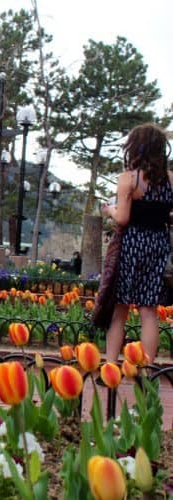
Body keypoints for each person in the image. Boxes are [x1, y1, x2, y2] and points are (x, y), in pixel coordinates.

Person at [100, 123, 173, 370]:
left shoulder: (129, 179)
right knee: (148, 310)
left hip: (131, 245)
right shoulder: (171, 179)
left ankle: (110, 366)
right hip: (158, 244)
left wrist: (109, 210)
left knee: (119, 309)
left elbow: (122, 218)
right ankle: (147, 369)